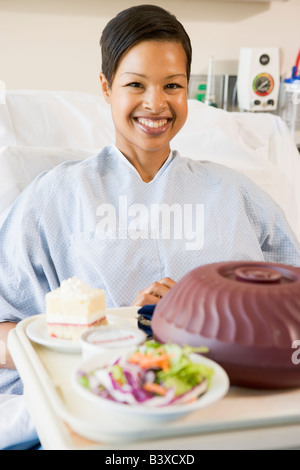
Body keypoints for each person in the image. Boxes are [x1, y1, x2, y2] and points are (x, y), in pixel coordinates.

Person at [0, 4, 300, 395]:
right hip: (91, 398)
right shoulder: (54, 196)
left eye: (172, 85)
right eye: (136, 85)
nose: (156, 104)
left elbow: (289, 310)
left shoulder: (235, 194)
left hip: (228, 398)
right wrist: (118, 328)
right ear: (107, 88)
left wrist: (198, 309)